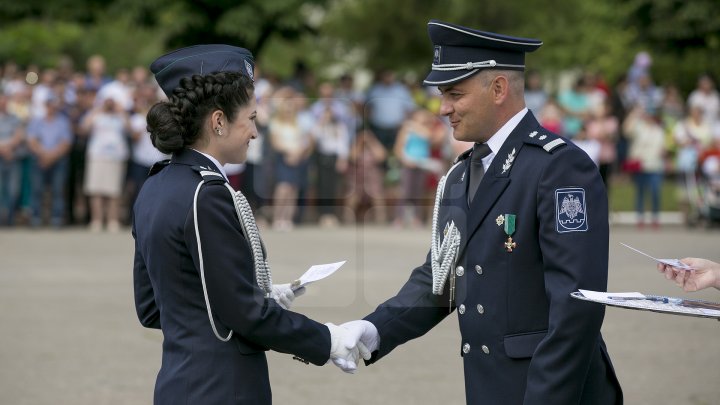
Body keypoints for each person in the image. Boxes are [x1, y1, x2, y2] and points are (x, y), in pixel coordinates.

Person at [337, 20, 623, 404]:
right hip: (490, 386)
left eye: (455, 94)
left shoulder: (557, 167)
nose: (443, 108)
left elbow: (576, 307)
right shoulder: (461, 172)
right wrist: (375, 328)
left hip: (551, 389)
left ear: (499, 89)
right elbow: (441, 277)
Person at [132, 44, 361, 405]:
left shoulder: (155, 184)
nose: (255, 133)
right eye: (251, 119)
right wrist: (326, 339)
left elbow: (152, 306)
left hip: (179, 385)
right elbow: (244, 314)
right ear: (218, 121)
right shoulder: (207, 193)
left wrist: (255, 295)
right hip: (223, 388)